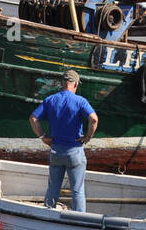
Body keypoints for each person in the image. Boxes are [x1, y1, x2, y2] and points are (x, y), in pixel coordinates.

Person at [29, 69, 98, 212]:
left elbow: (33, 118)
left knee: (53, 188)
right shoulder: (80, 101)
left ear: (62, 83)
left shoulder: (50, 99)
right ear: (76, 84)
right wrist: (88, 137)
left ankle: (48, 216)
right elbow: (94, 119)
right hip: (74, 151)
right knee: (77, 191)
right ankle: (80, 222)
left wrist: (43, 137)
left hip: (55, 150)